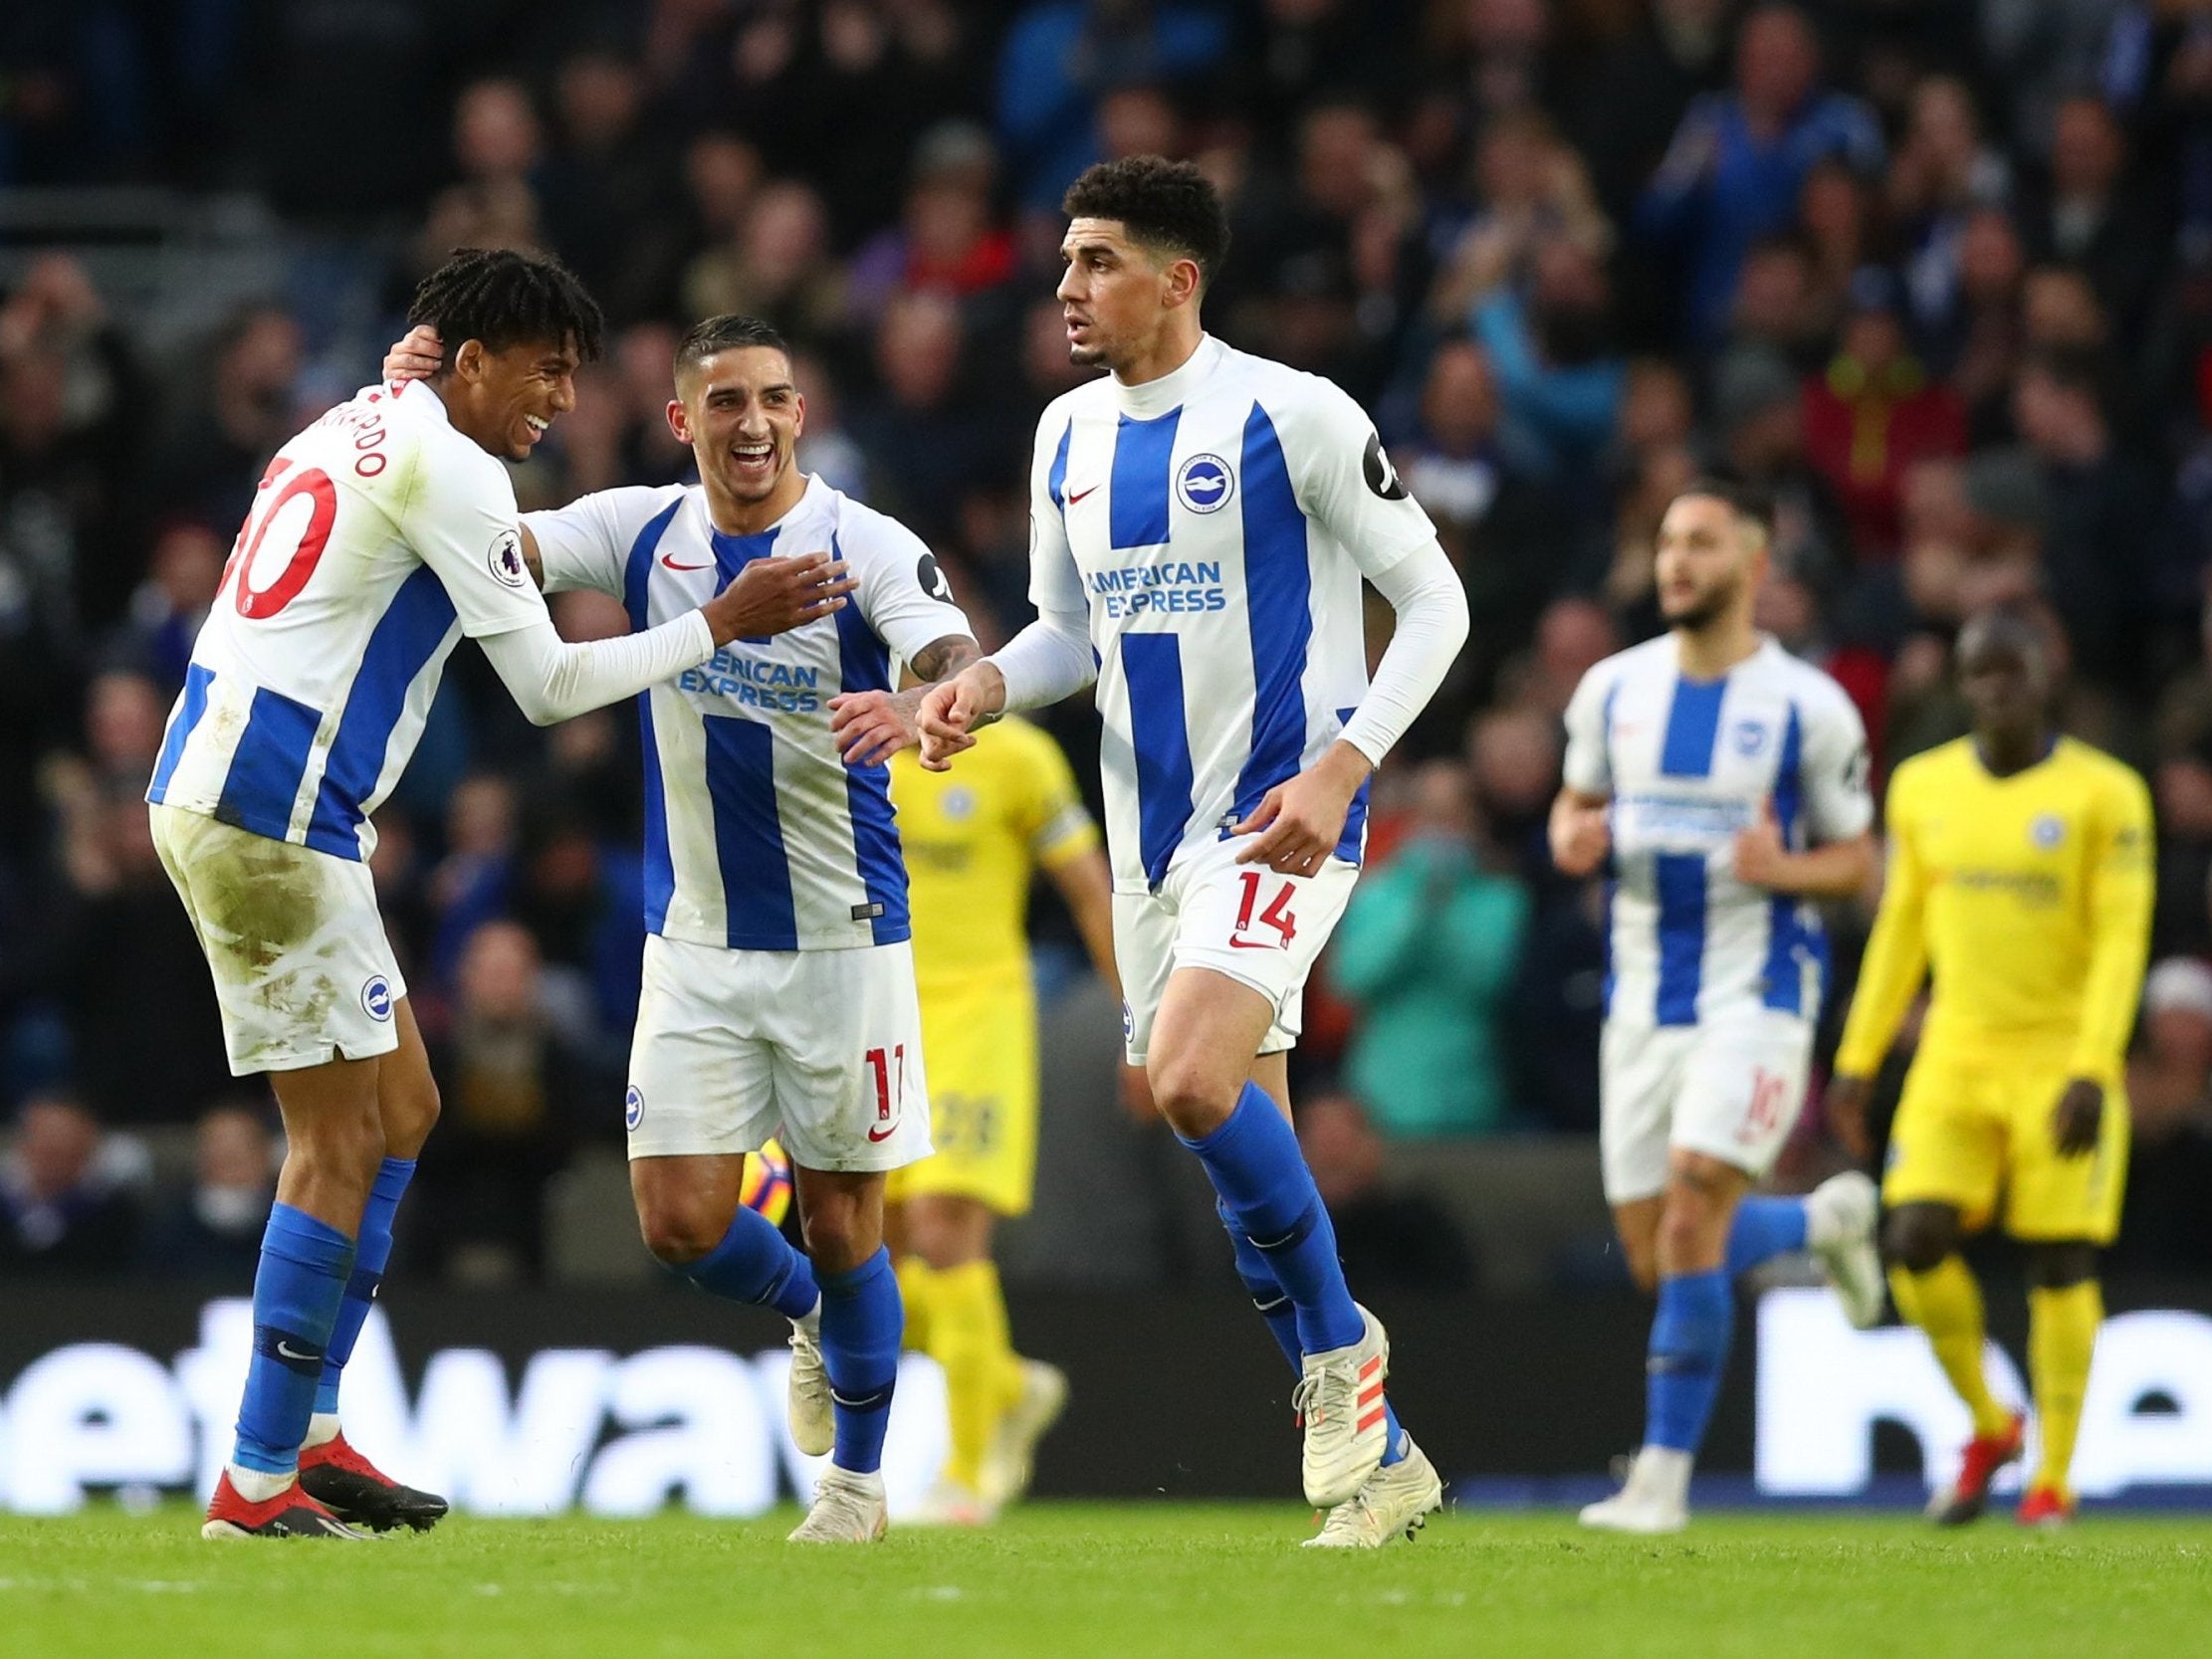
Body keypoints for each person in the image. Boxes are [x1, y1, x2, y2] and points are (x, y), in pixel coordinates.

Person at [148, 248, 828, 1543]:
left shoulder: (361, 415)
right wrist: (720, 622)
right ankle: (253, 1471)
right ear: (467, 361)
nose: (561, 398)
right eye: (543, 368)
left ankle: (319, 1426)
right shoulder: (449, 461)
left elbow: (346, 497)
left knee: (403, 1103)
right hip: (269, 812)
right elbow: (549, 688)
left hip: (255, 792)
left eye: (573, 371)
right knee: (338, 1139)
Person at [917, 155, 1471, 1549]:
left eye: (1095, 260)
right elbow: (1061, 634)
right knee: (1218, 1130)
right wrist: (981, 686)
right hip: (1149, 844)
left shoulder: (1293, 414)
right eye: (1063, 261)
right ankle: (1381, 1459)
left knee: (1187, 1072)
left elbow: (1436, 601)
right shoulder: (1061, 436)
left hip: (1283, 816)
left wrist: (1344, 761)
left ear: (1178, 278)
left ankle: (1343, 1359)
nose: (1064, 287)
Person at [385, 310, 980, 1545]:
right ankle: (818, 1311)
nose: (751, 422)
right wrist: (408, 419)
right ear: (681, 420)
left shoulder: (858, 543)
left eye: (771, 397)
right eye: (723, 402)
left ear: (799, 412)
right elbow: (494, 544)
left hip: (842, 941)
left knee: (843, 1213)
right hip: (694, 944)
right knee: (678, 1223)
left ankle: (857, 1491)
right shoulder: (639, 527)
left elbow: (947, 647)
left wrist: (925, 698)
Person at [1550, 479, 1885, 1536]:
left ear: (1753, 560)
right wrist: (1568, 834)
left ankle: (1659, 1479)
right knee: (1661, 1252)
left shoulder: (1805, 705)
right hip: (1640, 1000)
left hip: (1757, 992)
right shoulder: (1609, 690)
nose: (1675, 561)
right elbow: (1576, 801)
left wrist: (1784, 868)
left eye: (1700, 542)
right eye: (1665, 542)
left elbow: (1858, 862)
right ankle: (1821, 1217)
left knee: (1695, 1204)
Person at [1825, 608, 2153, 1529]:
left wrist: (2094, 1065)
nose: (1995, 689)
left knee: (2059, 1258)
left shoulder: (2106, 793)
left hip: (2061, 1056)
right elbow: (1901, 930)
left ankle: (2054, 1477)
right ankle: (1989, 1420)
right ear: (1962, 683)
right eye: (1979, 673)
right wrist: (1856, 1058)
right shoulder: (1925, 787)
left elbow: (2124, 940)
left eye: (2012, 671)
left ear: (2048, 675)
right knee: (1913, 1239)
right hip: (1956, 1055)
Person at [885, 716, 1119, 1525]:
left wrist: (1140, 1030)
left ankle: (966, 1468)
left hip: (980, 1016)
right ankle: (1007, 1386)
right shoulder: (850, 742)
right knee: (868, 1254)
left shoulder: (1017, 755)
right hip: (873, 1015)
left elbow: (1090, 889)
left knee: (943, 1225)